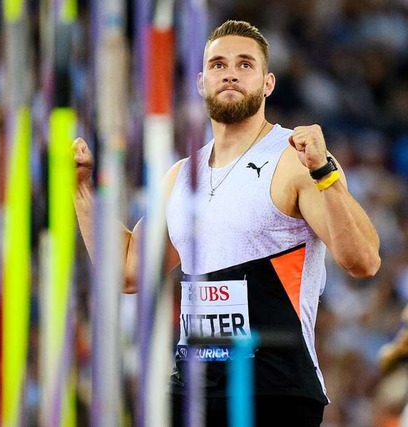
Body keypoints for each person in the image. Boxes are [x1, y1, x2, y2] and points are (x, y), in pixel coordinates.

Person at [73, 20, 381, 426]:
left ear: (268, 82)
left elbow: (364, 261)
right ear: (202, 82)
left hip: (273, 391)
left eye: (244, 64)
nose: (230, 72)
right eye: (218, 65)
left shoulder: (296, 159)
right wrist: (79, 189)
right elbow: (128, 272)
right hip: (193, 388)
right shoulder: (182, 175)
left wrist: (325, 173)